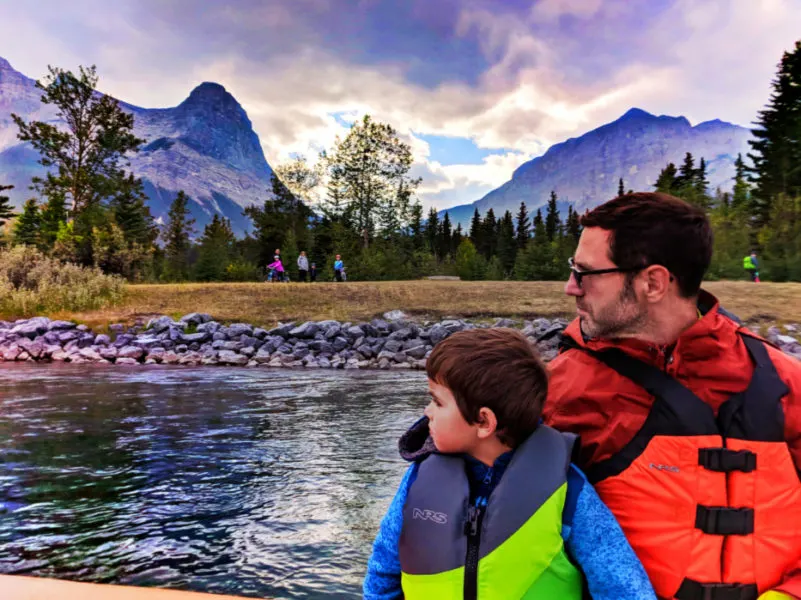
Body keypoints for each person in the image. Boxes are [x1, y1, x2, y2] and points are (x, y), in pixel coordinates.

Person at [542, 192, 801, 600]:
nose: (570, 287)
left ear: (653, 282)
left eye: (585, 273)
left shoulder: (785, 383)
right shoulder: (556, 390)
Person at [363, 327, 656, 600]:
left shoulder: (567, 491)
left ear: (484, 421)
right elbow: (383, 573)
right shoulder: (417, 480)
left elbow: (623, 587)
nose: (427, 412)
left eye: (438, 402)